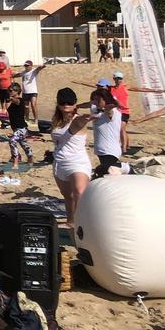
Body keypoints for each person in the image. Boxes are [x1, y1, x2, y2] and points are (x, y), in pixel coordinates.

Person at [50, 88, 93, 228]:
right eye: (63, 102)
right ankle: (71, 222)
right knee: (68, 197)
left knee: (80, 193)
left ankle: (85, 225)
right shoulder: (56, 120)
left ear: (75, 104)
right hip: (59, 162)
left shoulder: (77, 119)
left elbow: (77, 124)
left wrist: (84, 118)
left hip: (77, 163)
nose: (66, 105)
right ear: (58, 104)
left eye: (70, 102)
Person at [107, 72, 165, 152]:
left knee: (121, 128)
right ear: (114, 79)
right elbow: (95, 85)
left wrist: (155, 90)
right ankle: (127, 145)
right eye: (117, 78)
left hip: (124, 111)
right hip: (115, 111)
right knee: (121, 129)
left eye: (120, 78)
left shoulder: (125, 87)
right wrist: (83, 81)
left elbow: (141, 89)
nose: (119, 80)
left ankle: (124, 148)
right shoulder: (110, 88)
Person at [88, 87, 130, 178]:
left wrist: (114, 104)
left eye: (97, 100)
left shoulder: (112, 112)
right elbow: (90, 105)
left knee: (110, 173)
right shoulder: (99, 112)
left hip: (109, 151)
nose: (95, 102)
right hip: (102, 151)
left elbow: (109, 110)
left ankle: (128, 168)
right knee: (107, 173)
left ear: (105, 99)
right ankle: (127, 168)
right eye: (94, 100)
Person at [7, 84, 33, 165]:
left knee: (12, 141)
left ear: (17, 91)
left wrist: (12, 99)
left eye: (11, 91)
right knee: (24, 144)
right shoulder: (12, 102)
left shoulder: (19, 100)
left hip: (21, 128)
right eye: (9, 90)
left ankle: (16, 160)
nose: (9, 92)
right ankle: (30, 158)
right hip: (16, 128)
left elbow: (16, 101)